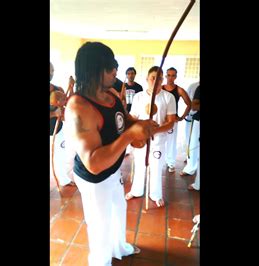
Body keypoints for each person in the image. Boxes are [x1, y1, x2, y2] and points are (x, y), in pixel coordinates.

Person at [64, 42, 158, 266]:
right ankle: (101, 261)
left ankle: (119, 248)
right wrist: (129, 136)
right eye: (109, 67)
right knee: (99, 223)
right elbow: (93, 163)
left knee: (118, 210)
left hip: (113, 171)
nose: (116, 71)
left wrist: (139, 124)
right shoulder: (79, 107)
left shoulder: (112, 94)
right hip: (95, 179)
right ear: (94, 70)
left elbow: (122, 120)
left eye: (115, 66)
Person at [125, 66, 177, 207]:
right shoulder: (139, 97)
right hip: (140, 139)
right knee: (140, 165)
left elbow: (171, 122)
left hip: (158, 140)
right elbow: (133, 117)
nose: (156, 80)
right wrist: (127, 114)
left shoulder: (168, 97)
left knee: (156, 167)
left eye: (160, 78)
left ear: (162, 80)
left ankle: (156, 194)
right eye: (153, 77)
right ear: (147, 79)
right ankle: (136, 191)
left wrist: (155, 130)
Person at [49, 62, 75, 187]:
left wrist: (72, 86)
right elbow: (56, 112)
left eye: (52, 71)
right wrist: (54, 114)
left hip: (56, 130)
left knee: (60, 156)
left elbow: (69, 104)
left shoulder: (58, 90)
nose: (50, 73)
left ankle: (64, 179)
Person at [162, 67, 192, 173]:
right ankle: (160, 160)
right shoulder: (160, 89)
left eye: (173, 75)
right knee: (160, 140)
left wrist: (182, 117)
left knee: (171, 142)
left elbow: (189, 104)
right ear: (165, 76)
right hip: (161, 120)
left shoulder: (179, 90)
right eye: (168, 75)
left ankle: (171, 163)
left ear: (176, 77)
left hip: (172, 120)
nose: (170, 77)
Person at [182, 85, 200, 178]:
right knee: (193, 145)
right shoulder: (198, 87)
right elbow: (194, 106)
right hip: (198, 120)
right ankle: (191, 168)